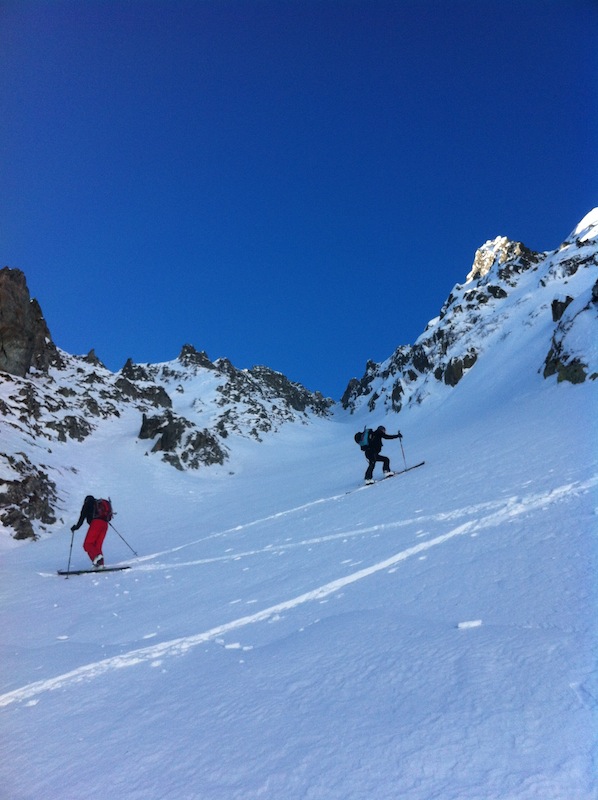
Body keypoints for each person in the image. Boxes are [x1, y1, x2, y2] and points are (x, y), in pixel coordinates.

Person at [71, 495, 108, 569]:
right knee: (97, 546)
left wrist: (76, 527)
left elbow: (82, 517)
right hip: (105, 525)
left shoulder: (88, 504)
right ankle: (100, 564)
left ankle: (97, 557)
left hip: (96, 524)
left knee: (87, 544)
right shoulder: (98, 505)